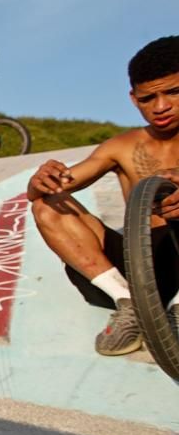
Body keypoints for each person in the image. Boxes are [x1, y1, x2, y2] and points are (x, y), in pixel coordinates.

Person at [29, 35, 179, 356]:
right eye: (147, 98)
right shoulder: (122, 146)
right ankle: (128, 304)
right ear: (133, 98)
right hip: (140, 268)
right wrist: (40, 180)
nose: (161, 106)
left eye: (173, 92)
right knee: (48, 204)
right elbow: (49, 190)